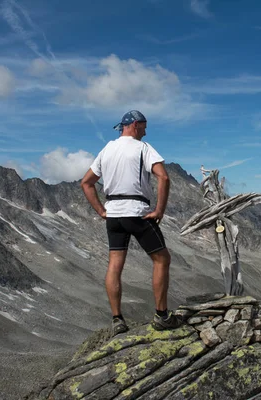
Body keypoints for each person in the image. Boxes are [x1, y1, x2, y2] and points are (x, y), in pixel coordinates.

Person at [81, 110, 182, 336]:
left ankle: (117, 319)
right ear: (135, 125)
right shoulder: (143, 149)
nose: (145, 133)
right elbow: (163, 177)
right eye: (144, 127)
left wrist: (101, 210)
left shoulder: (107, 149)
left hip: (113, 213)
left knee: (115, 262)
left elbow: (86, 183)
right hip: (136, 211)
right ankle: (162, 315)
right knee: (162, 258)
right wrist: (159, 210)